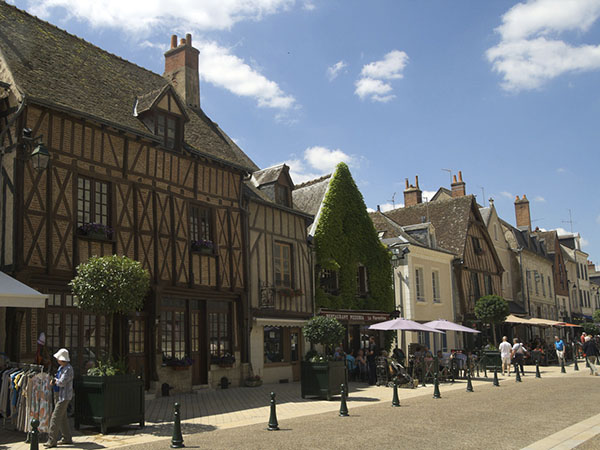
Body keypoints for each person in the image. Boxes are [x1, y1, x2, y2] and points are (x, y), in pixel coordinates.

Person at [45, 348, 74, 448]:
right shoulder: (61, 368)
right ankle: (67, 438)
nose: (57, 360)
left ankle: (52, 440)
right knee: (62, 418)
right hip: (58, 395)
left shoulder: (68, 369)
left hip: (64, 397)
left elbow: (62, 382)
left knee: (55, 417)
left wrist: (54, 381)